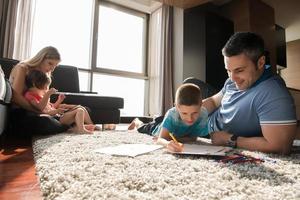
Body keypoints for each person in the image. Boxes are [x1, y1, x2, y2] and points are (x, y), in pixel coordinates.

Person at [201, 32, 297, 154]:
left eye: (239, 70)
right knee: (190, 87)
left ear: (261, 62)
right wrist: (193, 114)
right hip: (206, 120)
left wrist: (228, 139)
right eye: (228, 71)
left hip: (212, 135)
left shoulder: (273, 93)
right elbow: (214, 102)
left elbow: (280, 146)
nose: (232, 78)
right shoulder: (232, 81)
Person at [129, 83, 209, 151]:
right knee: (142, 127)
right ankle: (136, 121)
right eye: (184, 113)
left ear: (201, 105)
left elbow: (193, 138)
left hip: (171, 126)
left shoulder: (203, 113)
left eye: (194, 113)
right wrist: (167, 143)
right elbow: (160, 139)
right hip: (156, 128)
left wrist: (177, 138)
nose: (190, 118)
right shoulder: (172, 114)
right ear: (177, 107)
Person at [9, 46, 70, 135]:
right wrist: (39, 111)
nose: (52, 69)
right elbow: (15, 97)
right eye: (50, 63)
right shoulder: (22, 68)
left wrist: (54, 108)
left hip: (38, 112)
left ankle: (65, 124)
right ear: (41, 58)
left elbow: (43, 101)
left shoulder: (46, 75)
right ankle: (68, 126)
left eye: (55, 66)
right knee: (46, 122)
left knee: (83, 110)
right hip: (21, 112)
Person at [24, 70, 95, 134]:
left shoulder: (41, 96)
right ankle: (81, 129)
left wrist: (59, 100)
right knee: (79, 110)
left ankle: (89, 125)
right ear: (34, 84)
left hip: (58, 116)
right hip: (56, 119)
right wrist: (48, 95)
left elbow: (52, 107)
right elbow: (40, 109)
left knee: (81, 108)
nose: (46, 89)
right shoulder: (30, 95)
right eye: (44, 87)